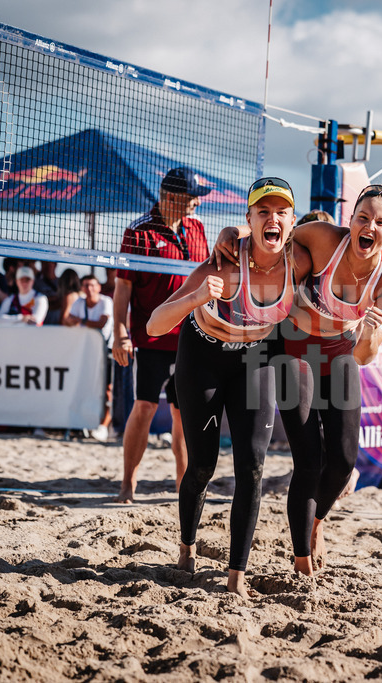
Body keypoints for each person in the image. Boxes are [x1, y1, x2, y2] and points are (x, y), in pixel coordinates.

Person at [212, 182, 382, 577]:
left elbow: (364, 357)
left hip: (341, 354)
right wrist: (233, 233)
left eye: (379, 223)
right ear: (350, 220)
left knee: (344, 461)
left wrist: (371, 334)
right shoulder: (322, 238)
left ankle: (316, 521)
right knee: (308, 459)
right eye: (362, 217)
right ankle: (302, 559)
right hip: (293, 347)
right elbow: (273, 235)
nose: (369, 226)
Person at [149, 176, 307, 597]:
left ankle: (236, 577)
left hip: (254, 360)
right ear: (249, 219)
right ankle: (187, 547)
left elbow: (345, 241)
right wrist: (196, 298)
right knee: (202, 465)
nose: (273, 219)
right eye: (263, 212)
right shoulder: (223, 263)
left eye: (282, 212)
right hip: (203, 357)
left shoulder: (300, 260)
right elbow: (154, 325)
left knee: (252, 466)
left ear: (292, 221)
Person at [113, 167, 211, 502]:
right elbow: (123, 287)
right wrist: (120, 332)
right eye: (191, 197)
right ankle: (128, 484)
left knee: (184, 416)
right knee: (144, 406)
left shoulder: (197, 228)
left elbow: (204, 279)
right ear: (169, 197)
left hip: (192, 337)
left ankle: (184, 487)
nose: (197, 202)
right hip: (152, 338)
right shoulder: (138, 232)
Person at [65, 273, 114, 441]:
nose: (89, 288)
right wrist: (81, 321)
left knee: (107, 388)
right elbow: (67, 320)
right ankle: (84, 422)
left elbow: (101, 322)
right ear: (81, 288)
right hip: (86, 351)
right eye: (86, 285)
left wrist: (80, 320)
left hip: (106, 351)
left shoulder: (106, 302)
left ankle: (103, 425)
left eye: (92, 285)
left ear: (99, 287)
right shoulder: (79, 302)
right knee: (84, 386)